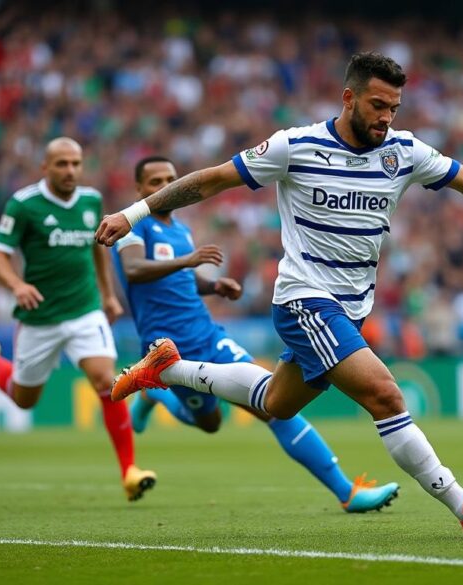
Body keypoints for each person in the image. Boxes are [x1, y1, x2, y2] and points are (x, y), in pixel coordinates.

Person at [97, 52, 463, 536]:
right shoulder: (295, 146)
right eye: (377, 105)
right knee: (385, 395)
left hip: (349, 310)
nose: (386, 117)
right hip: (305, 300)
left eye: (394, 107)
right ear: (348, 98)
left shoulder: (403, 152)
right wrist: (133, 214)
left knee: (273, 403)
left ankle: (170, 369)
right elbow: (210, 180)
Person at [115, 155, 399, 512]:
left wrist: (213, 285)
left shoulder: (180, 229)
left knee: (272, 405)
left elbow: (182, 281)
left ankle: (347, 491)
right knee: (210, 422)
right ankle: (156, 394)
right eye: (155, 182)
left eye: (170, 179)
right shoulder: (133, 226)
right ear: (139, 189)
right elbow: (136, 270)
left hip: (207, 334)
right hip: (166, 347)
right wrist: (187, 262)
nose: (164, 187)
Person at [0, 137, 156, 502]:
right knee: (24, 399)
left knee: (106, 382)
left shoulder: (91, 200)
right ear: (44, 168)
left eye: (76, 164)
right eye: (62, 164)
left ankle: (129, 470)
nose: (71, 171)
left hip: (85, 310)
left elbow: (99, 247)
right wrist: (17, 285)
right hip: (40, 317)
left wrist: (108, 294)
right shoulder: (23, 205)